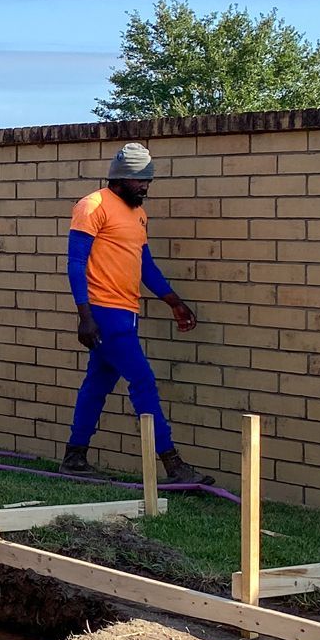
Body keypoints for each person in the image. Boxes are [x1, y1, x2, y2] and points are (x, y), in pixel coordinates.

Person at [62, 142, 214, 486]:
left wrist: (173, 300)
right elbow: (75, 264)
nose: (146, 186)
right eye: (141, 180)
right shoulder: (93, 206)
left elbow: (144, 264)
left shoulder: (136, 214)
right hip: (105, 312)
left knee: (97, 384)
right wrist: (84, 315)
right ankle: (173, 464)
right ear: (121, 178)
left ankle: (74, 457)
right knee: (142, 381)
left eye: (149, 180)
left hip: (127, 310)